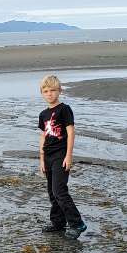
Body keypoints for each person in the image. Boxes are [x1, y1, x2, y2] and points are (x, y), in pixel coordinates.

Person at [37, 75, 87, 239]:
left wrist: (69, 156)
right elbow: (44, 135)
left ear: (59, 91)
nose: (49, 94)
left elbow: (71, 132)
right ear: (42, 93)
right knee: (52, 192)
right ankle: (58, 223)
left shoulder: (64, 109)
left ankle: (77, 223)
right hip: (48, 157)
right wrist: (42, 159)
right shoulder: (43, 114)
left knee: (60, 191)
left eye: (52, 90)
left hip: (61, 155)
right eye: (46, 91)